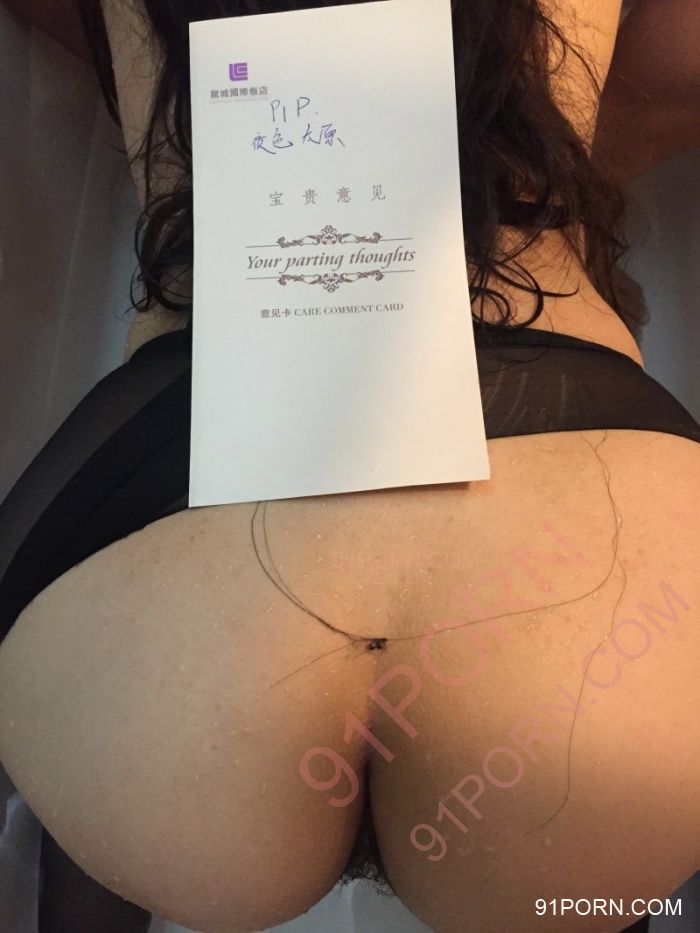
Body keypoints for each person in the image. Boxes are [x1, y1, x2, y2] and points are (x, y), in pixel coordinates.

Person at [0, 1, 698, 931]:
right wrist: (546, 135)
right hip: (592, 577)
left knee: (111, 824)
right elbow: (677, 71)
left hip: (164, 608)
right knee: (581, 887)